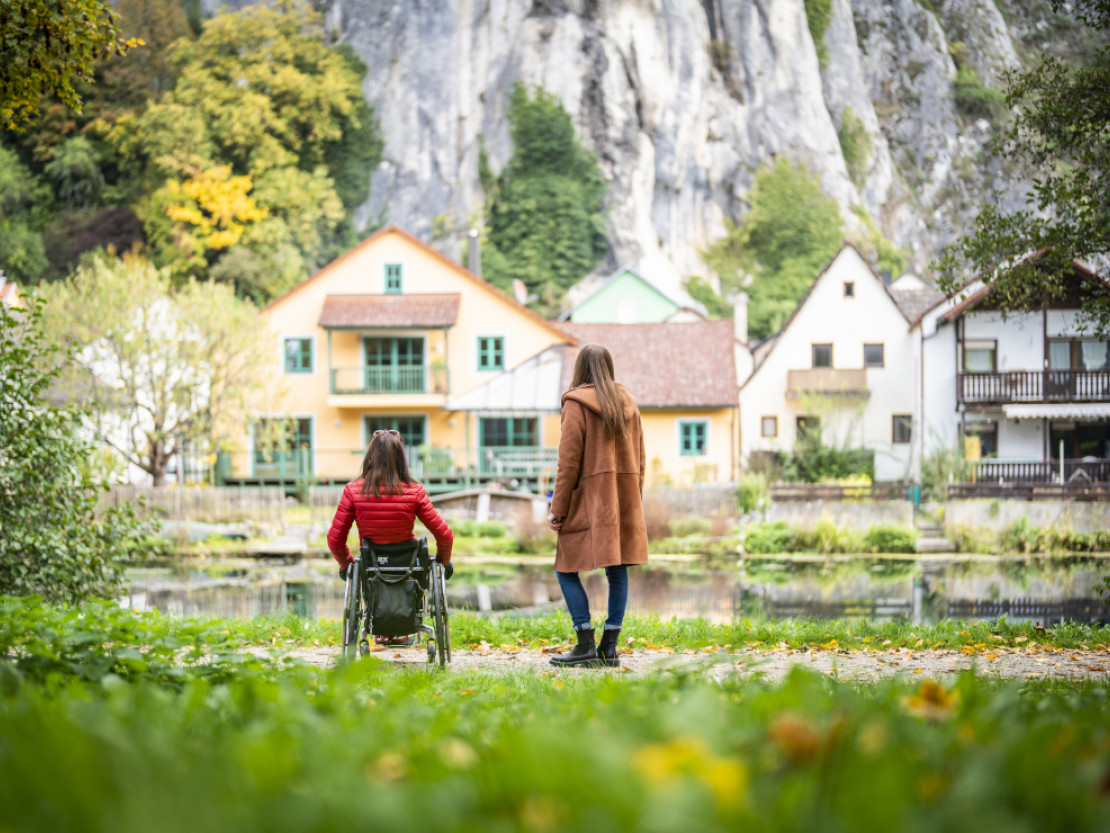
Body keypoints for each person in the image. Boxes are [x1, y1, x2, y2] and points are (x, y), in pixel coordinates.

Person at [547, 343, 648, 668]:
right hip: (623, 499)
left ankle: (585, 642)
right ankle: (610, 647)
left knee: (565, 569)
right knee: (617, 571)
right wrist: (634, 499)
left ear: (580, 369)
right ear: (609, 366)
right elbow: (641, 460)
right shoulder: (628, 403)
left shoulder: (575, 404)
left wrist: (557, 508)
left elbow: (568, 464)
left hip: (588, 501)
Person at [327, 429, 454, 646]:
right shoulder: (414, 491)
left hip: (371, 564)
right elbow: (445, 535)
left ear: (370, 457)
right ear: (401, 458)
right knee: (417, 571)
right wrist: (443, 561)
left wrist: (346, 565)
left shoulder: (353, 491)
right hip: (408, 564)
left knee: (365, 572)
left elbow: (335, 539)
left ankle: (379, 629)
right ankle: (407, 626)